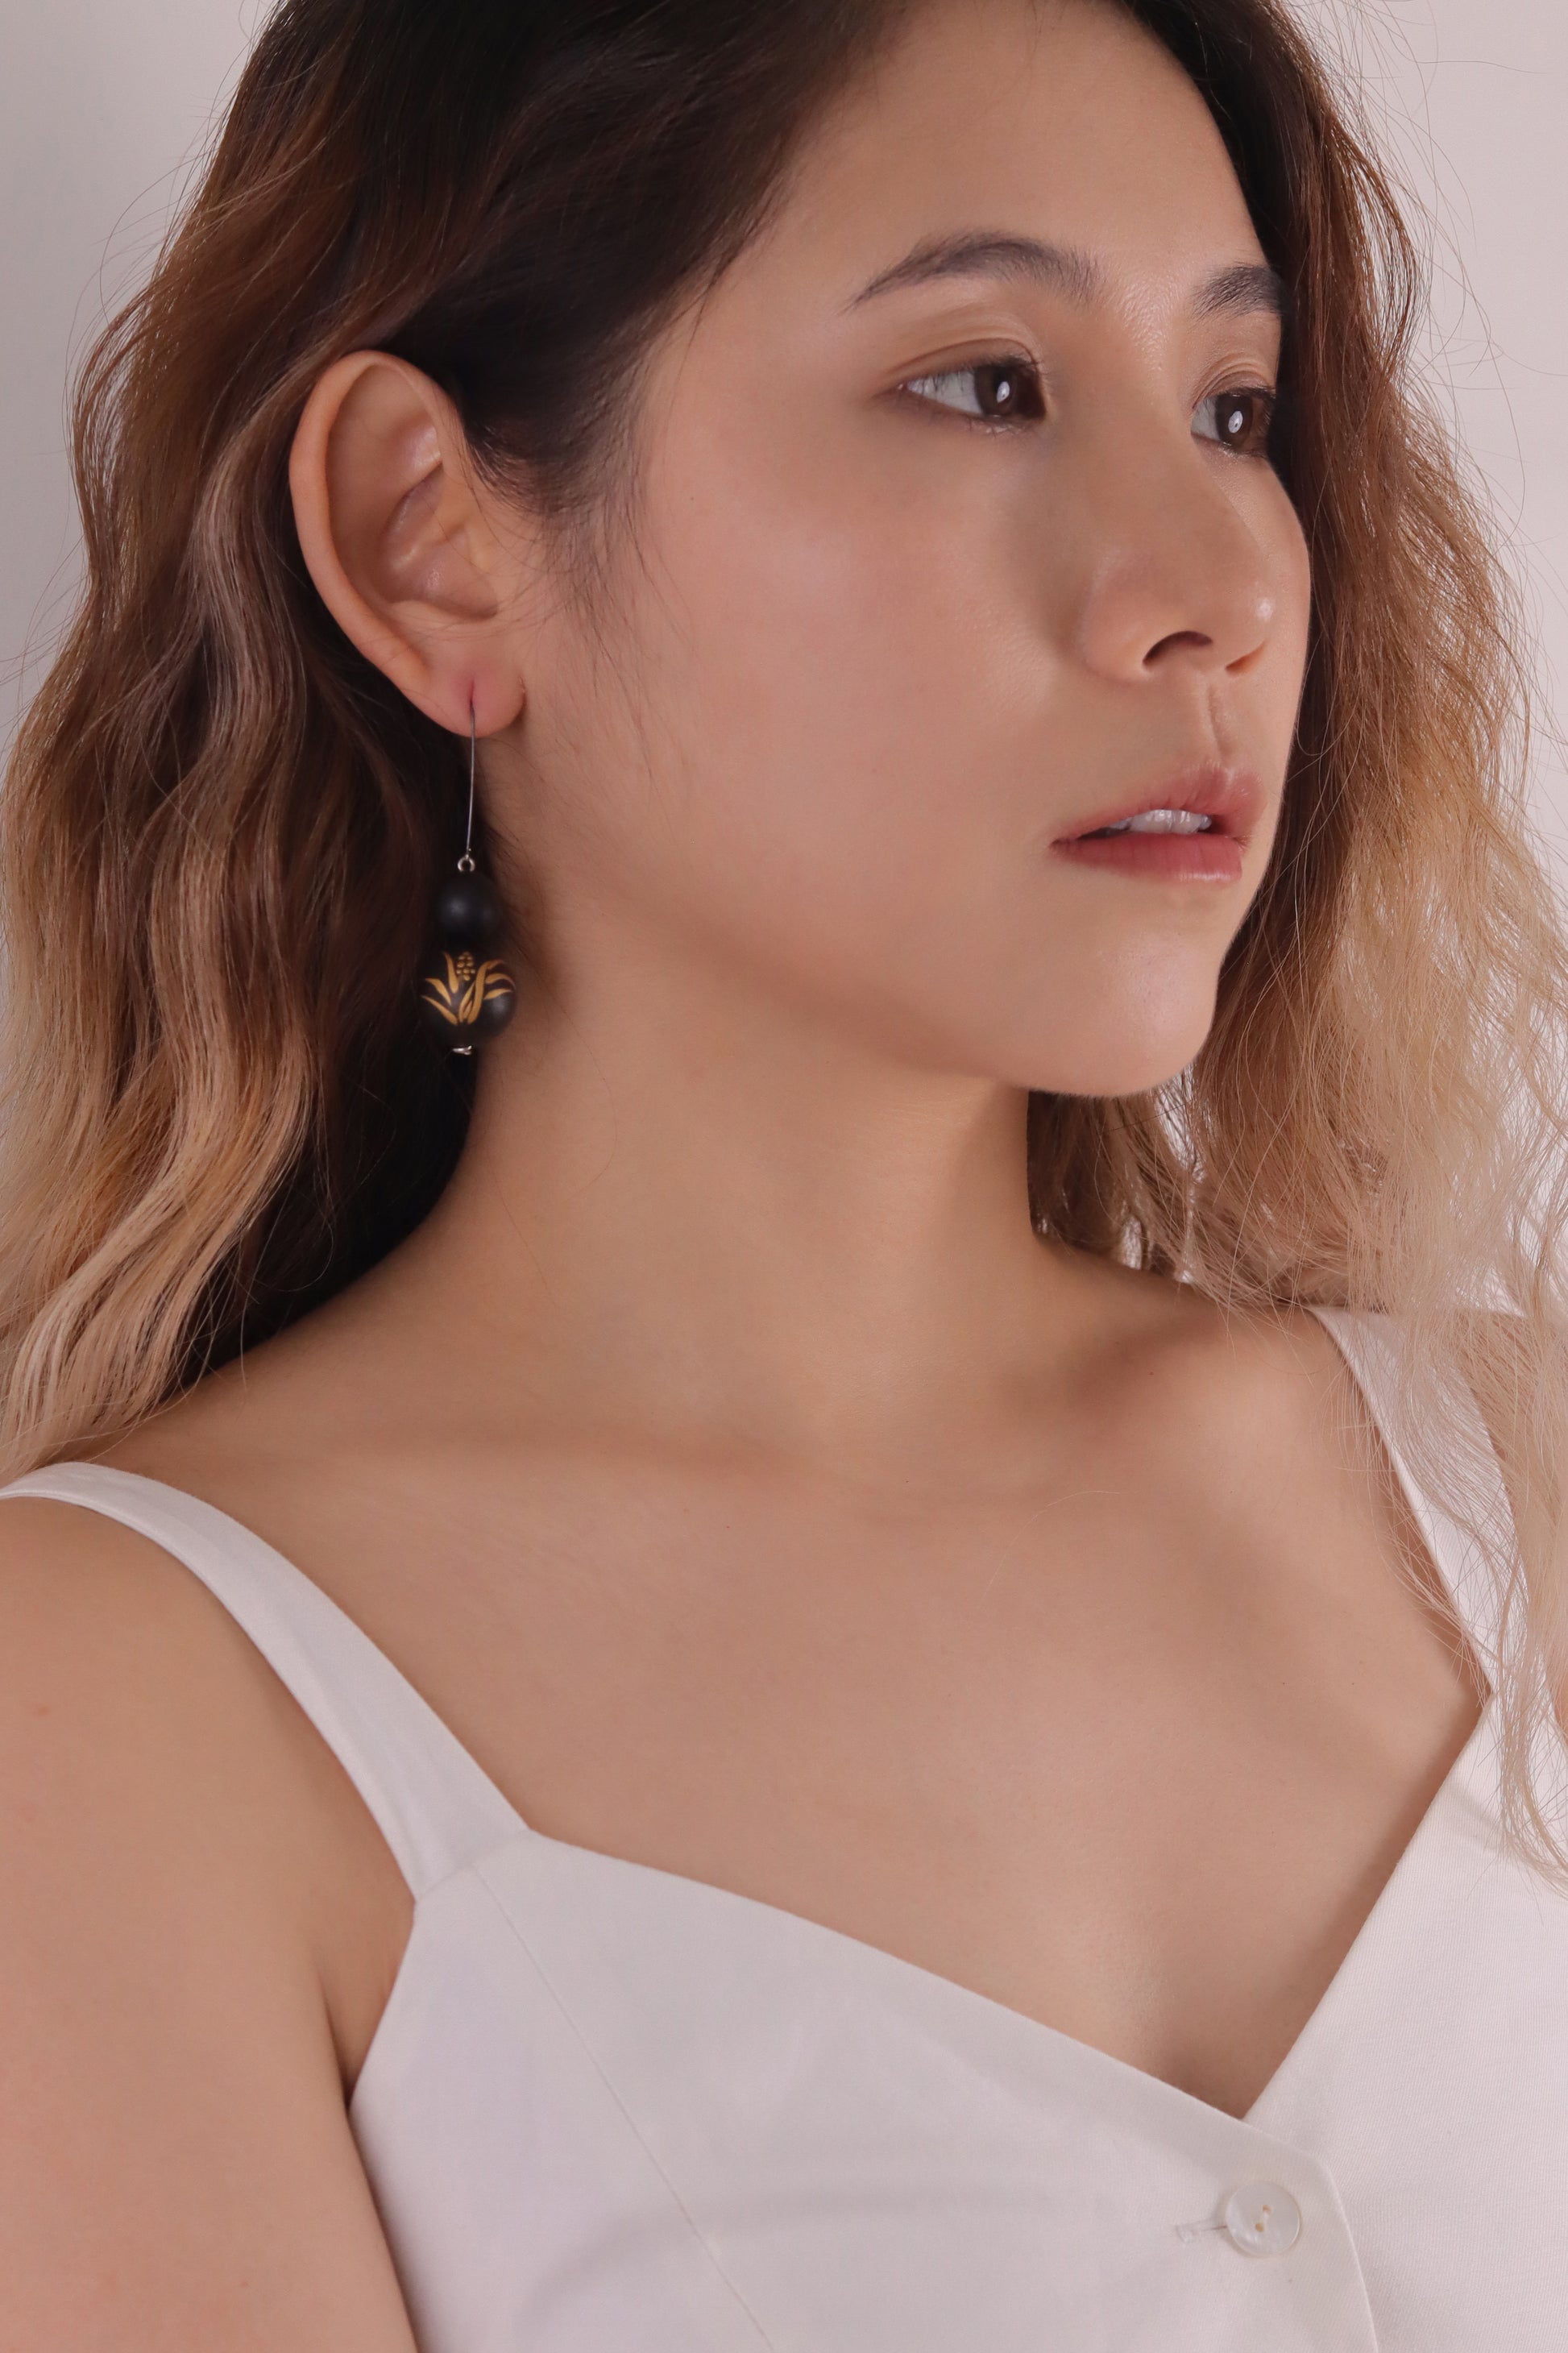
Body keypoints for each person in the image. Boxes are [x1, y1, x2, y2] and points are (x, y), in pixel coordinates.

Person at [3, 0, 1566, 2343]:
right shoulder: (120, 1712)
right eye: (984, 382)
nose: (1222, 586)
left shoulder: (1515, 1490)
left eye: (1236, 410)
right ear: (435, 541)